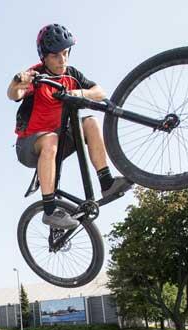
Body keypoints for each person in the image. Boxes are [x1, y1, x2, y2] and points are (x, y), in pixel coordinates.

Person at [8, 23, 132, 229]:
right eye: (56, 56)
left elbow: (99, 92)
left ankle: (106, 183)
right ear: (44, 57)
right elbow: (15, 94)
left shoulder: (72, 74)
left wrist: (79, 93)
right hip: (30, 146)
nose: (62, 60)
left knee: (90, 122)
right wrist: (16, 82)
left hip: (60, 139)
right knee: (50, 139)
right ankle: (49, 211)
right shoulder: (36, 75)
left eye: (65, 53)